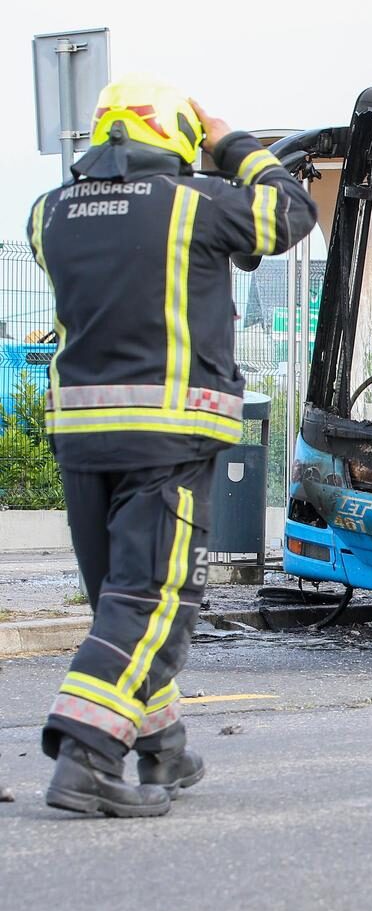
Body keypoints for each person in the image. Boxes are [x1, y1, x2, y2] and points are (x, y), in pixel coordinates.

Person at [26, 76, 316, 817]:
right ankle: (87, 759)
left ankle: (162, 746)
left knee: (124, 604)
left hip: (82, 440)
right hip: (168, 437)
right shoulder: (197, 205)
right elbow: (292, 210)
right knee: (153, 601)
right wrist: (234, 145)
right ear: (180, 139)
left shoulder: (47, 215)